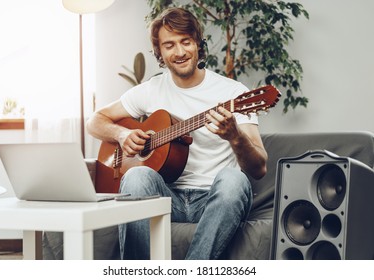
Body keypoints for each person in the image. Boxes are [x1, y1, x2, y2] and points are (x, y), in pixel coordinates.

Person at [86, 7, 268, 260]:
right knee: (137, 175)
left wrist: (235, 137)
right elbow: (95, 121)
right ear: (159, 52)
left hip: (214, 199)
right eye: (169, 45)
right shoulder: (151, 90)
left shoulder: (234, 93)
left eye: (186, 42)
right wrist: (121, 135)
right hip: (166, 198)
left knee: (234, 180)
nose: (180, 52)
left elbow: (259, 168)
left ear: (197, 44)